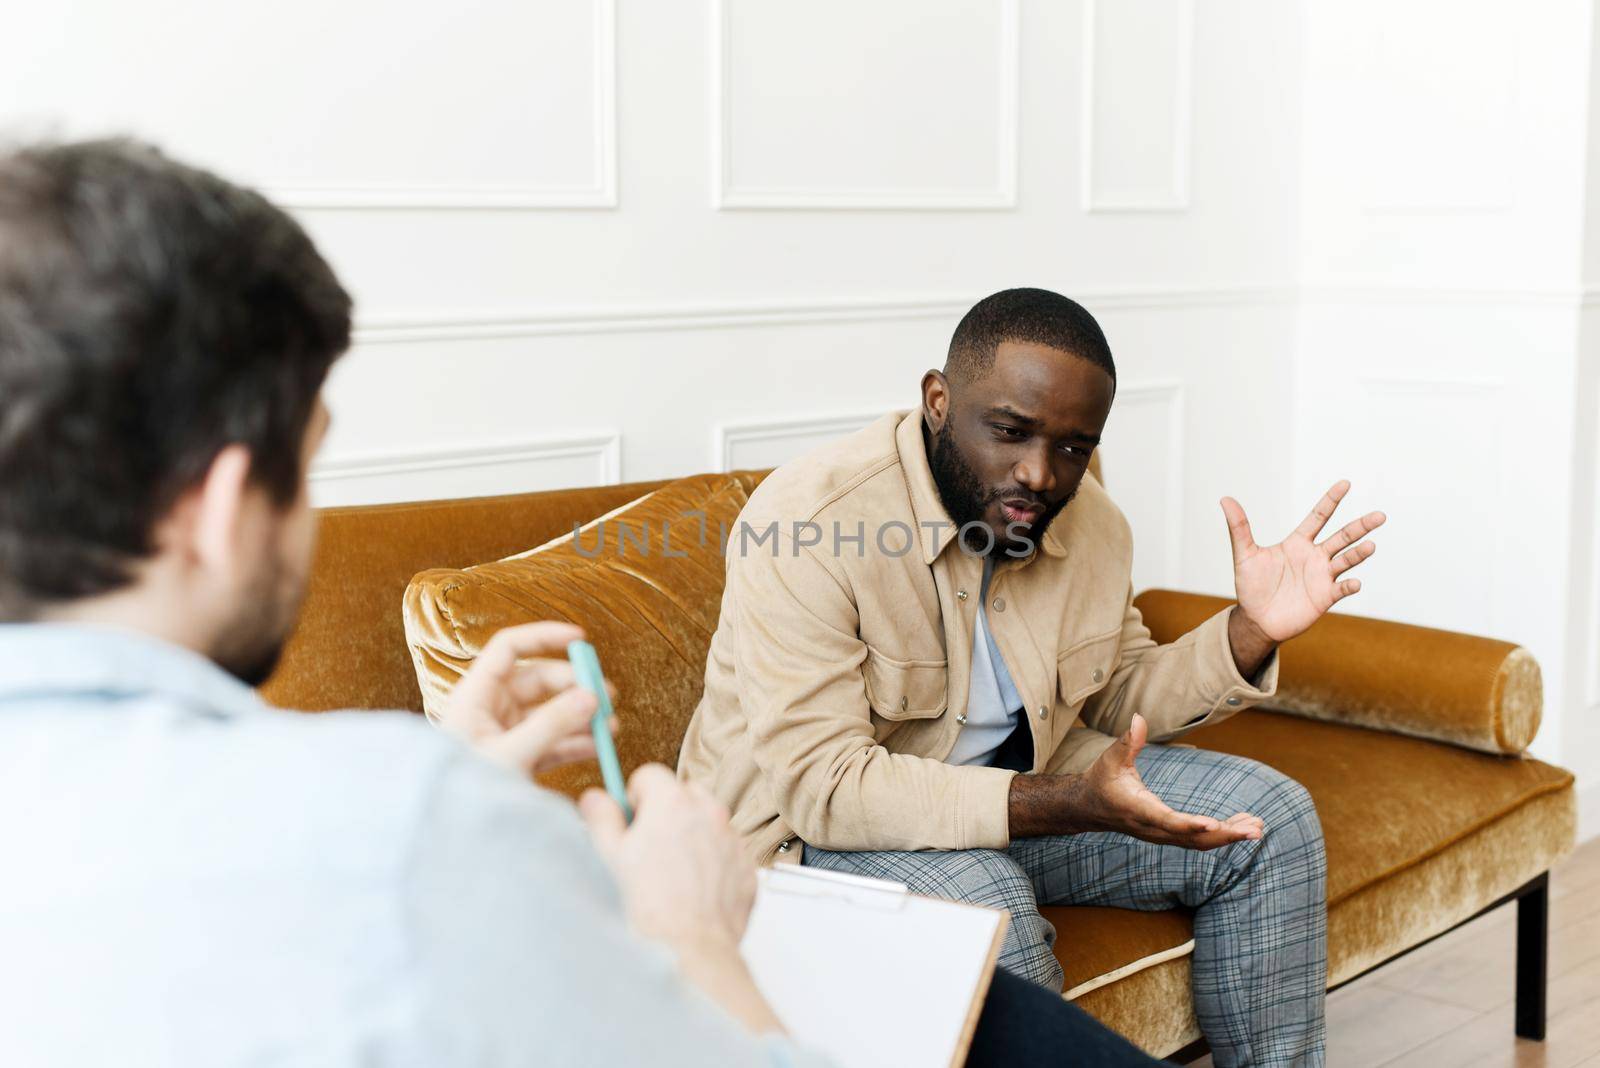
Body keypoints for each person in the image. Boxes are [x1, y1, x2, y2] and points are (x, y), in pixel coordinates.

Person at [0, 140, 1160, 1067]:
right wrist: (693, 937)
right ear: (216, 508)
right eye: (307, 469)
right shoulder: (393, 826)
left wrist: (436, 775)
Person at [680, 287, 1388, 1067]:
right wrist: (1059, 803)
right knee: (986, 901)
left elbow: (1116, 693)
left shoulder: (1093, 526)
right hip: (808, 843)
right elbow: (824, 788)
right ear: (939, 400)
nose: (1040, 474)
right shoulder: (811, 524)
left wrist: (1249, 630)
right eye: (1011, 431)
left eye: (1074, 448)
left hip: (1017, 796)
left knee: (1271, 823)